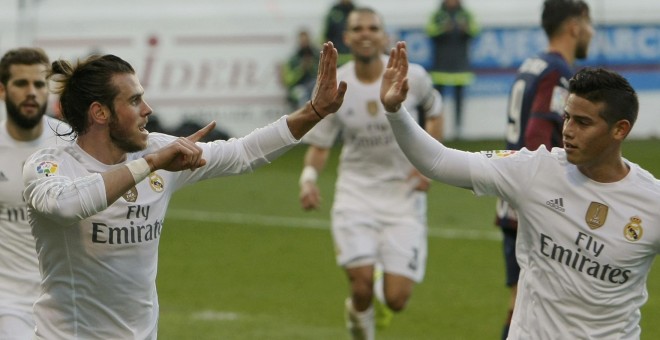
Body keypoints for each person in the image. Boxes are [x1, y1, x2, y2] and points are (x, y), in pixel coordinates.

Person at [21, 42, 346, 339]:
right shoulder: (50, 165)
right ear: (100, 113)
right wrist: (149, 165)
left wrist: (314, 111)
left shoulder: (156, 151)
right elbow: (65, 205)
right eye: (134, 100)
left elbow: (243, 153)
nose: (147, 109)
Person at [383, 41, 659, 339]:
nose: (567, 130)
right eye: (567, 117)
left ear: (620, 129)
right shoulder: (536, 170)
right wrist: (395, 111)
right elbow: (438, 161)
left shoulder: (651, 203)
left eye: (583, 122)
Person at [298, 8, 442, 340]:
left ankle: (377, 302)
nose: (365, 33)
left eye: (373, 27)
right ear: (347, 37)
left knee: (397, 299)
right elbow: (320, 146)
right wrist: (307, 179)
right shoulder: (335, 86)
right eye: (357, 28)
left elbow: (435, 112)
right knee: (360, 284)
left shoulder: (413, 76)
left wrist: (429, 165)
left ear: (384, 36)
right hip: (355, 193)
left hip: (403, 196)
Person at [495, 1, 594, 338]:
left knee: (524, 307)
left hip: (513, 197)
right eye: (589, 24)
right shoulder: (558, 73)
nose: (591, 33)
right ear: (576, 25)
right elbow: (537, 138)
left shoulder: (532, 64)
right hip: (535, 204)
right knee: (541, 312)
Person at [0, 47, 70, 339]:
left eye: (39, 84)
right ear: (2, 90)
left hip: (65, 298)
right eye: (21, 83)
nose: (32, 92)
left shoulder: (70, 144)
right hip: (9, 302)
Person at [426, 0, 479, 139]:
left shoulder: (466, 14)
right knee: (437, 101)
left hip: (460, 67)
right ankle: (437, 128)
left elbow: (475, 30)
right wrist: (443, 29)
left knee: (459, 101)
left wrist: (465, 28)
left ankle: (458, 130)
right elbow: (429, 30)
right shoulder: (437, 14)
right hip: (440, 68)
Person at [282, 29, 319, 110]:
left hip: (314, 86)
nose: (304, 43)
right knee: (302, 95)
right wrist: (301, 69)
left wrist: (311, 67)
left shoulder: (317, 56)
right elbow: (288, 81)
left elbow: (321, 75)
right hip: (298, 87)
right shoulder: (293, 59)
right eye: (302, 41)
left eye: (306, 40)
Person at [322, 0, 356, 66]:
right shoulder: (333, 12)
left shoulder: (356, 11)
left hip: (354, 57)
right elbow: (326, 35)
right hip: (337, 56)